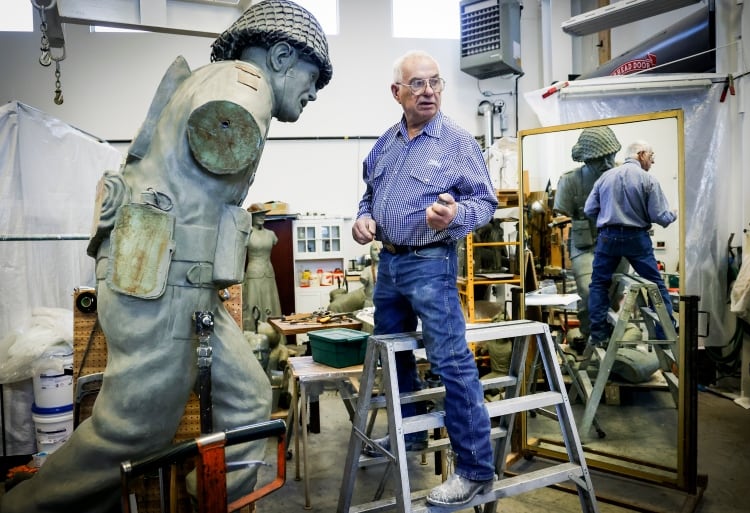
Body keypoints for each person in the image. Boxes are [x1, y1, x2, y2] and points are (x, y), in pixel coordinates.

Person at [0, 2, 332, 512]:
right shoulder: (247, 84)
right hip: (164, 281)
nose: (314, 93)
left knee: (246, 398)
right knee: (131, 432)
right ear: (282, 55)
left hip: (183, 282)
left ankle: (208, 502)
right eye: (313, 78)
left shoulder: (204, 80)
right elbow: (217, 138)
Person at [351, 50, 497, 507]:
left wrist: (453, 216)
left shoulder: (456, 141)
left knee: (451, 360)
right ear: (397, 92)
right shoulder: (386, 143)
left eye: (434, 82)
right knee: (392, 357)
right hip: (389, 265)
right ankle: (411, 436)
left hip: (431, 263)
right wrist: (362, 220)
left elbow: (485, 203)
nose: (428, 90)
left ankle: (475, 470)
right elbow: (369, 196)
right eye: (417, 83)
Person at [585, 140, 677, 347]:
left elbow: (589, 210)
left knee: (599, 284)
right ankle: (665, 335)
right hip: (637, 238)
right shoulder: (648, 180)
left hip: (607, 237)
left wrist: (607, 219)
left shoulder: (605, 177)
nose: (652, 162)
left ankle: (599, 335)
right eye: (651, 157)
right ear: (641, 154)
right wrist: (674, 215)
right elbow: (661, 217)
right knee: (656, 284)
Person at [553, 126, 627, 349]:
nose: (606, 163)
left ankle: (609, 344)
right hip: (585, 245)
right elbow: (561, 214)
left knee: (614, 293)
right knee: (590, 290)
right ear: (585, 160)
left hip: (617, 243)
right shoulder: (569, 181)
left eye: (610, 156)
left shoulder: (623, 176)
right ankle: (594, 336)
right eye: (599, 159)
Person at [242, 204, 282, 332]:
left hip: (268, 271)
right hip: (253, 271)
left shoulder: (271, 234)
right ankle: (254, 335)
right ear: (251, 217)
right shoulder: (247, 234)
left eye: (263, 214)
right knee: (254, 303)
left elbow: (275, 242)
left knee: (271, 303)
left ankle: (275, 337)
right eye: (258, 215)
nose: (261, 217)